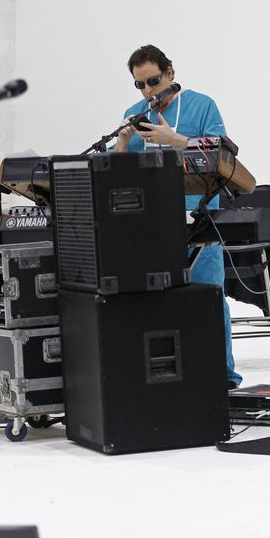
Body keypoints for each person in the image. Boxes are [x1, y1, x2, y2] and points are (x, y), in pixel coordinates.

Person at [114, 44, 242, 388]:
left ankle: (222, 376)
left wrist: (176, 140)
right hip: (148, 223)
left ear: (170, 73)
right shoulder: (135, 112)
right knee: (151, 301)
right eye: (139, 85)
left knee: (207, 296)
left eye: (153, 81)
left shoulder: (202, 105)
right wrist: (124, 142)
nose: (147, 91)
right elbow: (117, 172)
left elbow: (223, 154)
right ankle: (164, 377)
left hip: (199, 218)